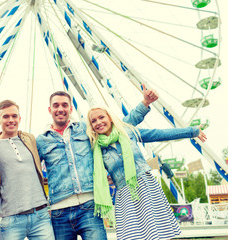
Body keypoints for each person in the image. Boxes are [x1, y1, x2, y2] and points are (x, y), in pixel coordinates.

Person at [36, 85, 158, 239]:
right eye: (56, 105)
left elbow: (118, 126)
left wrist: (145, 103)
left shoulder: (85, 129)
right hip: (59, 212)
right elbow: (28, 168)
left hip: (89, 207)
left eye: (64, 105)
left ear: (71, 108)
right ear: (49, 110)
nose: (60, 109)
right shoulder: (41, 141)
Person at [86, 106, 207, 240]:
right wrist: (107, 177)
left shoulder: (127, 132)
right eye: (94, 121)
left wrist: (192, 131)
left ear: (110, 118)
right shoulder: (96, 148)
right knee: (131, 235)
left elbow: (159, 134)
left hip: (145, 186)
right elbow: (91, 171)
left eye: (101, 117)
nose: (98, 122)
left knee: (157, 232)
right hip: (125, 194)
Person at [0, 99, 54, 240]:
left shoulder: (29, 139)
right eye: (6, 116)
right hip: (11, 218)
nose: (11, 120)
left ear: (19, 118)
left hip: (40, 215)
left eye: (14, 116)